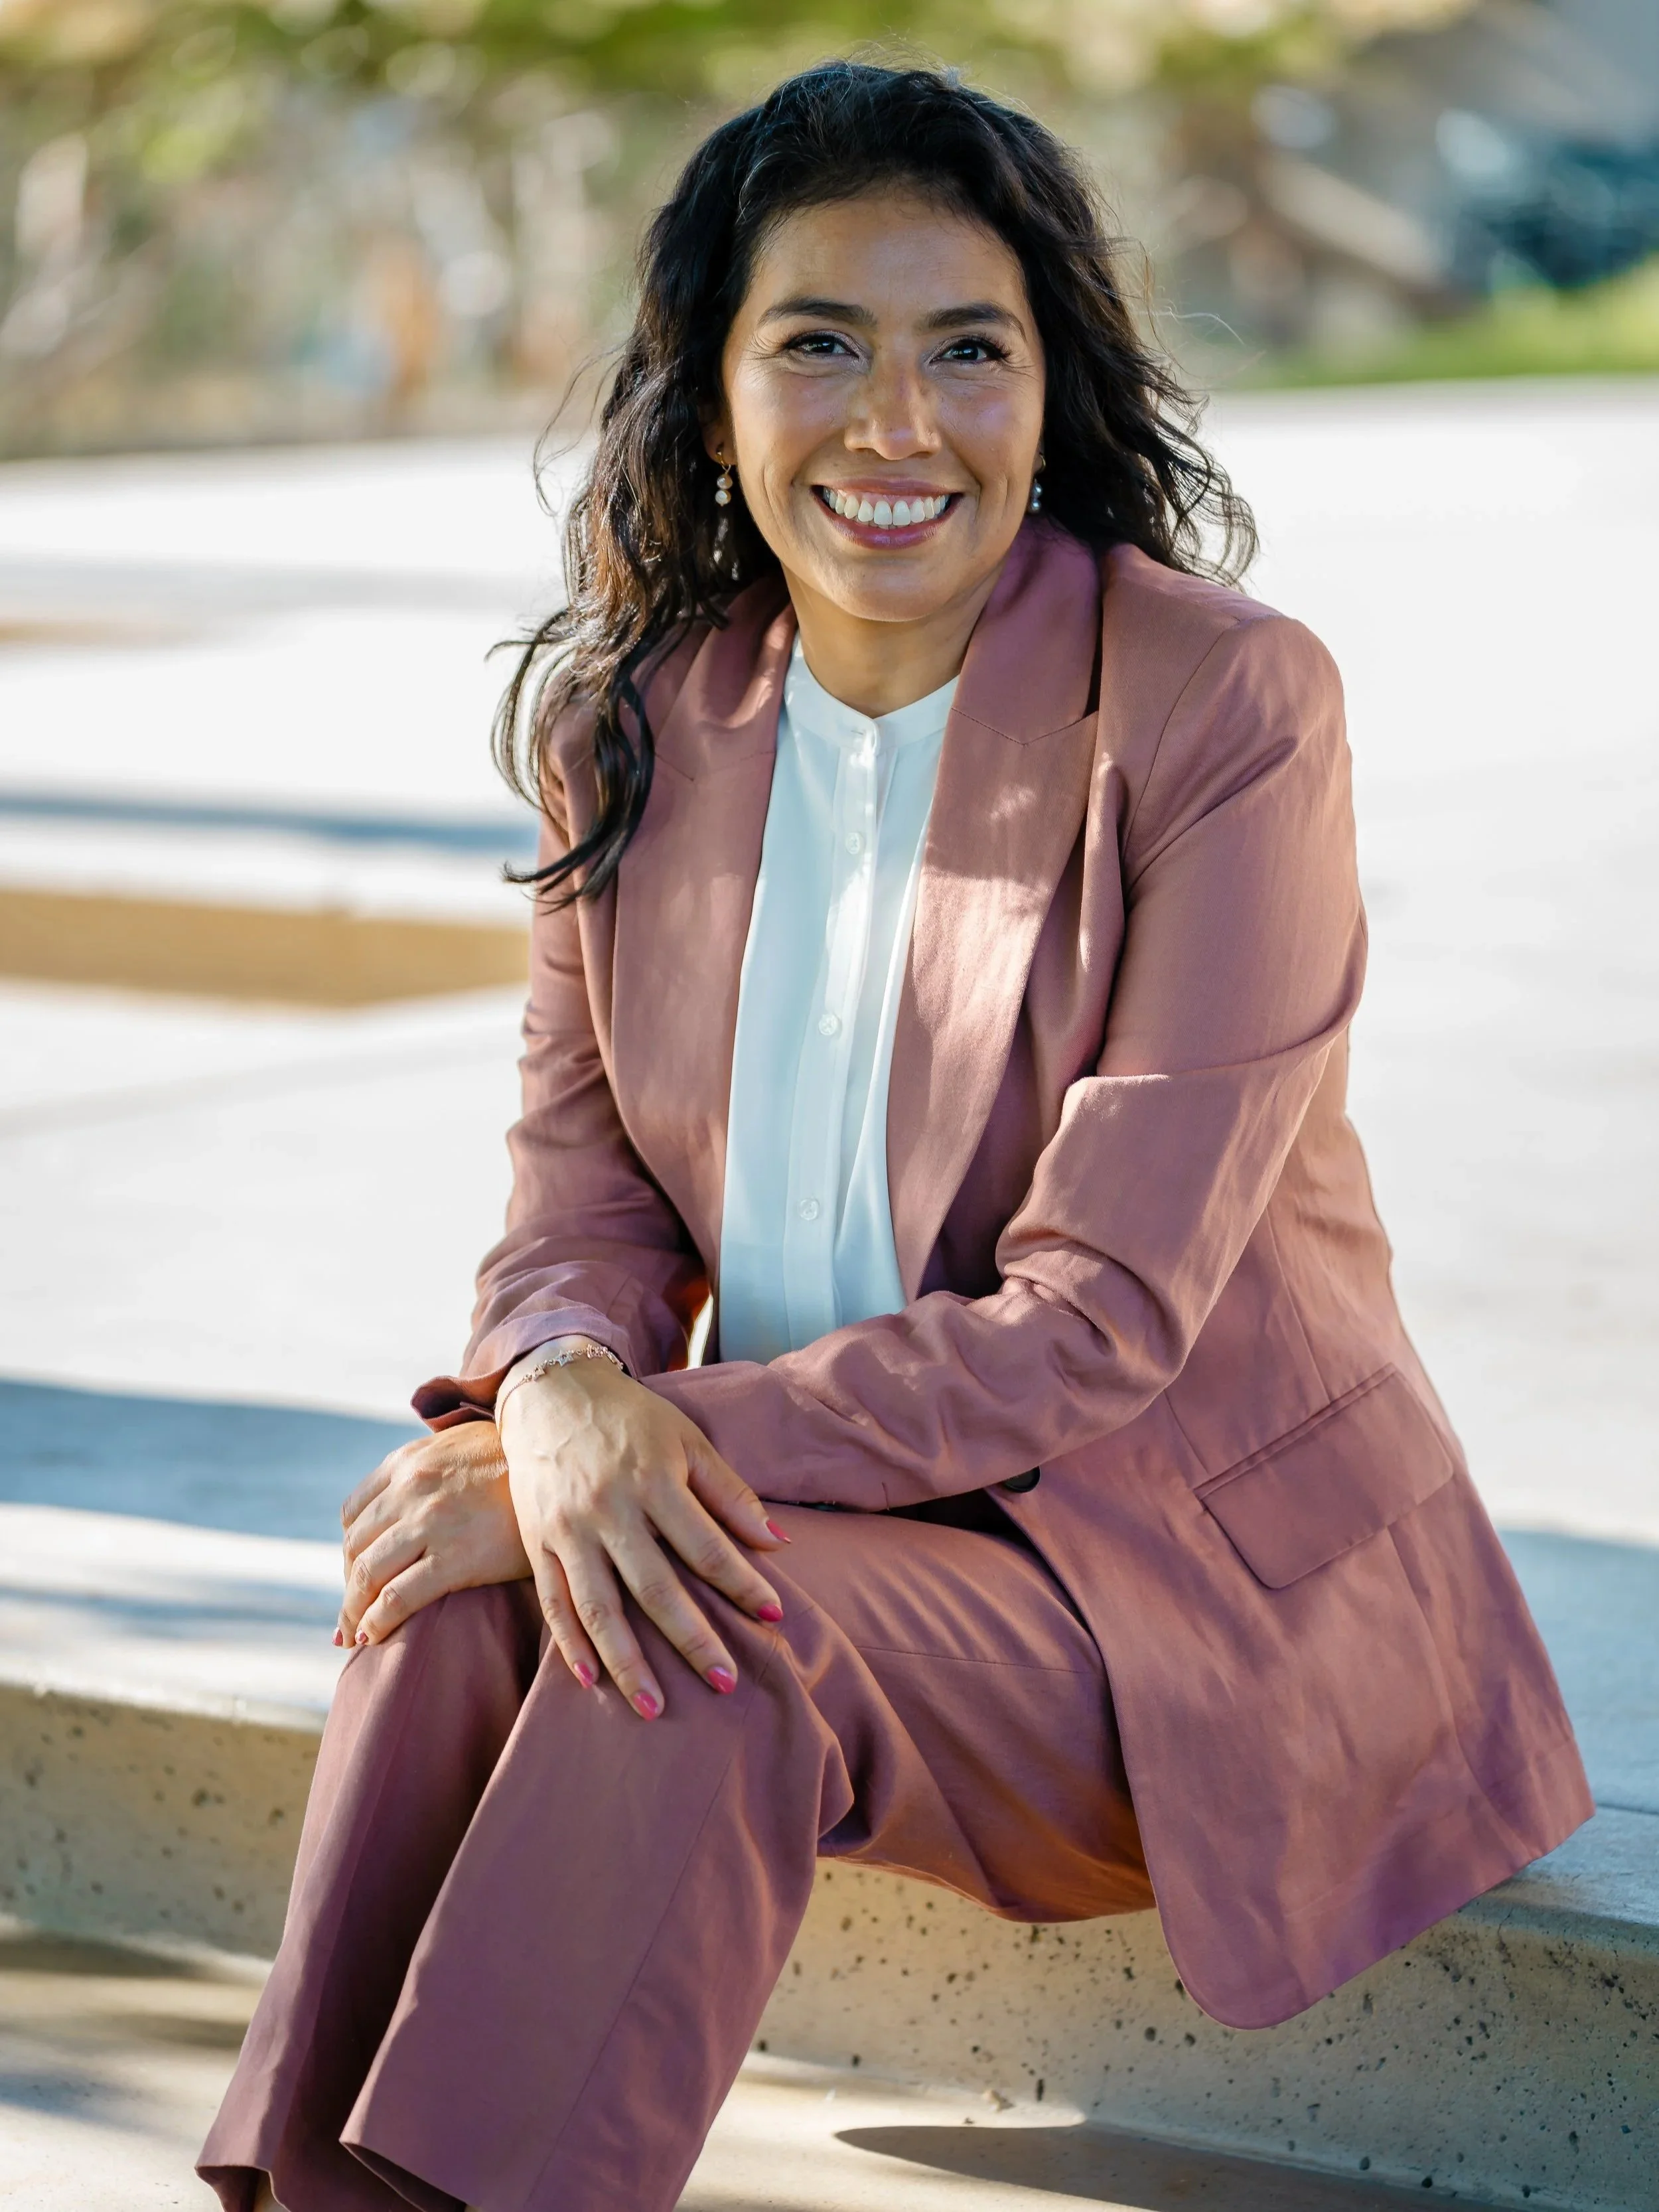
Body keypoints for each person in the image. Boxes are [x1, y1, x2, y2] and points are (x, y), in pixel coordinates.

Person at [199, 60, 1589, 2212]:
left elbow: (1093, 1324)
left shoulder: (1221, 709)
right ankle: (297, 2186)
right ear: (714, 384)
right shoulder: (634, 722)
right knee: (448, 1577)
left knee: (692, 1628)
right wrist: (558, 1391)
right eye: (817, 344)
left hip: (1159, 1590)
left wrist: (658, 1444)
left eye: (967, 349)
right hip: (821, 1527)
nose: (894, 422)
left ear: (1052, 386)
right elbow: (573, 1191)